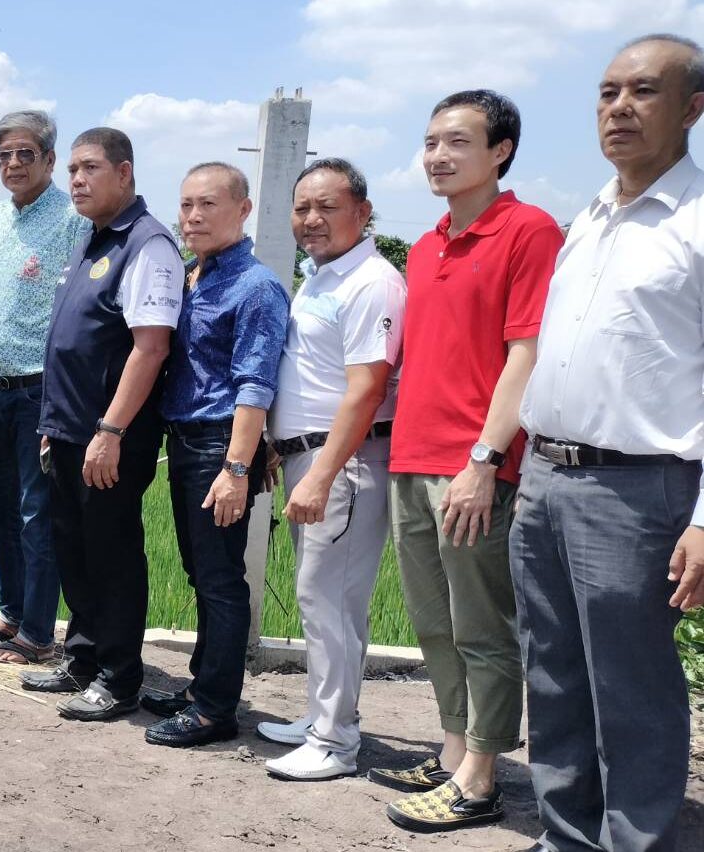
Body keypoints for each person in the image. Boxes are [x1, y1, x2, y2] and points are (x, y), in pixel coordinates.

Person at [511, 33, 704, 851]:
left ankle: (639, 842)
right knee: (553, 676)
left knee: (632, 688)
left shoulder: (695, 223)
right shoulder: (588, 219)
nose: (619, 108)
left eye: (644, 91)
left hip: (638, 489)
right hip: (545, 477)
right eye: (607, 92)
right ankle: (565, 837)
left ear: (693, 109)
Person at [377, 91, 563, 829]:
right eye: (430, 142)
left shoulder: (529, 230)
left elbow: (528, 352)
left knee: (482, 626)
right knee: (433, 623)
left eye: (457, 141)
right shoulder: (425, 247)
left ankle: (481, 780)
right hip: (411, 457)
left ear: (501, 150)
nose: (437, 156)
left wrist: (485, 460)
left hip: (473, 466)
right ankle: (453, 751)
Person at [21, 128, 182, 724]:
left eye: (90, 168)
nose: (77, 180)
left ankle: (119, 677)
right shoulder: (92, 240)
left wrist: (110, 432)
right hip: (69, 430)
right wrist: (54, 423)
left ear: (125, 172)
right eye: (72, 170)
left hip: (110, 436)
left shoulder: (147, 245)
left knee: (111, 553)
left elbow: (150, 348)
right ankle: (82, 659)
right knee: (75, 548)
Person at [262, 159, 406, 777]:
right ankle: (323, 717)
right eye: (302, 208)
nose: (312, 220)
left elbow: (367, 389)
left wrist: (322, 473)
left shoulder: (371, 282)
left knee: (328, 600)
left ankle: (334, 741)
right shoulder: (321, 278)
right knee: (324, 598)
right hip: (311, 456)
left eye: (328, 207)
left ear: (363, 213)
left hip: (342, 463)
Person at [141, 163, 288, 745]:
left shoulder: (256, 287)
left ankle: (214, 710)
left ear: (243, 210)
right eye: (186, 205)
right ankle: (202, 686)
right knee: (200, 573)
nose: (194, 216)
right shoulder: (191, 277)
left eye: (208, 204)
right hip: (185, 442)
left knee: (221, 579)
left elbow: (255, 385)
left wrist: (236, 469)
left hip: (219, 445)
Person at [0, 110, 90, 665]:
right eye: (4, 155)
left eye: (25, 154)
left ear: (50, 160)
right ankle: (11, 614)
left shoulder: (73, 219)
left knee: (38, 513)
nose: (13, 164)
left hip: (41, 390)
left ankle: (37, 633)